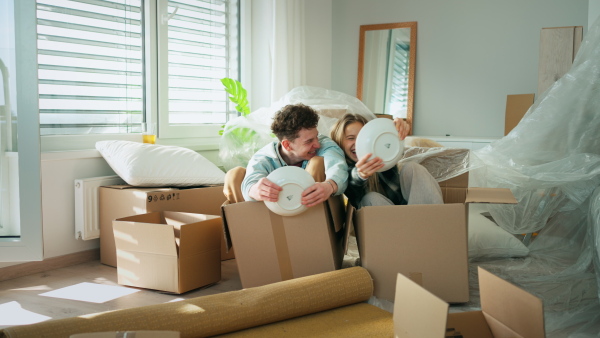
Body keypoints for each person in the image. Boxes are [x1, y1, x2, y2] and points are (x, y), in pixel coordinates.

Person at [224, 103, 348, 207]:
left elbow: (337, 165)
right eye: (309, 141)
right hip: (272, 212)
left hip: (312, 211)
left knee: (318, 163)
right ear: (287, 145)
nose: (317, 144)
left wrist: (330, 186)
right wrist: (254, 190)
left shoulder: (324, 143)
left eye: (316, 136)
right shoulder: (264, 157)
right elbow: (251, 180)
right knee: (234, 175)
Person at [329, 113, 443, 209]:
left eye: (362, 137)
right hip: (387, 227)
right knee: (371, 198)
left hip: (409, 214)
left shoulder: (381, 155)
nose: (358, 143)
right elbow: (351, 181)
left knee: (412, 168)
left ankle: (434, 225)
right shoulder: (341, 169)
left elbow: (392, 144)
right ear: (339, 142)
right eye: (350, 138)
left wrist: (397, 127)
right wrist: (361, 174)